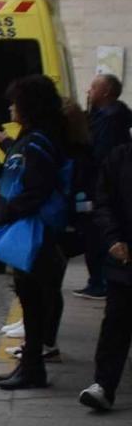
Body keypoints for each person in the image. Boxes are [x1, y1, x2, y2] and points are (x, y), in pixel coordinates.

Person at [0, 75, 71, 390]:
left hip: (33, 231)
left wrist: (12, 210)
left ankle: (33, 368)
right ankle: (29, 366)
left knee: (33, 302)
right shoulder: (32, 137)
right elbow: (17, 178)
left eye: (15, 102)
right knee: (30, 299)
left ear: (29, 106)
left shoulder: (38, 141)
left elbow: (36, 187)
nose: (10, 107)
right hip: (25, 226)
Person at [81, 127, 132, 411]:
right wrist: (113, 239)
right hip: (124, 259)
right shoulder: (119, 158)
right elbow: (104, 203)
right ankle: (103, 385)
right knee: (115, 323)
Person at [76, 74, 130, 300]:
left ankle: (100, 282)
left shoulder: (111, 120)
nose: (88, 91)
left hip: (99, 186)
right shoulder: (103, 115)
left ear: (106, 92)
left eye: (93, 87)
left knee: (96, 234)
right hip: (97, 185)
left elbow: (99, 155)